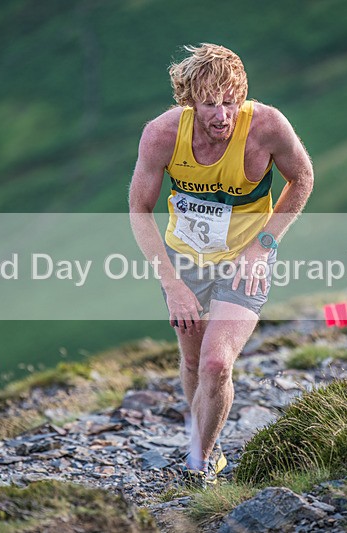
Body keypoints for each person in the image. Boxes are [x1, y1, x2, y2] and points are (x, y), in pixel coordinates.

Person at [129, 44, 314, 486]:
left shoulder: (266, 126)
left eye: (231, 101)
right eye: (211, 102)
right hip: (184, 261)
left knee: (216, 363)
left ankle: (201, 461)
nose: (223, 114)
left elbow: (302, 177)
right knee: (193, 363)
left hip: (244, 262)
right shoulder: (161, 134)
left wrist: (262, 246)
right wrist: (171, 283)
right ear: (189, 100)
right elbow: (139, 209)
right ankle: (201, 436)